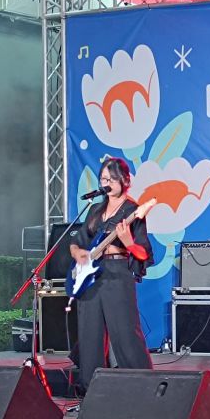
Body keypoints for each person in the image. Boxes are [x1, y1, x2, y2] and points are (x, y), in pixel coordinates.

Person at [69, 157, 154, 388]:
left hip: (117, 273)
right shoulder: (96, 209)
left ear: (125, 180)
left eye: (112, 179)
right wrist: (78, 253)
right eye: (103, 179)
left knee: (125, 331)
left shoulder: (133, 210)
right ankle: (91, 387)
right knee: (90, 333)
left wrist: (128, 242)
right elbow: (77, 241)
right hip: (91, 275)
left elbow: (143, 253)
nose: (107, 184)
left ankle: (142, 386)